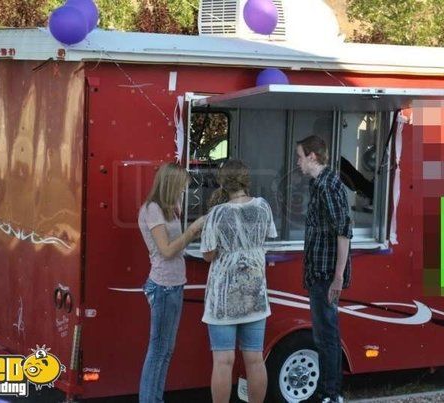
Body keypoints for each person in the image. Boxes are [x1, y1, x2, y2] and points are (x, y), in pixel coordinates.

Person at [200, 159, 277, 403]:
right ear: (245, 179)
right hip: (255, 293)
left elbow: (208, 254)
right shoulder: (263, 206)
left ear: (222, 181)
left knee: (223, 361)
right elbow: (267, 236)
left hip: (223, 298)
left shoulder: (217, 213)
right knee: (254, 359)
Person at [137, 162, 205, 403]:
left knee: (165, 350)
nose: (183, 192)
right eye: (182, 188)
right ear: (171, 185)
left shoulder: (166, 208)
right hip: (164, 285)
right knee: (159, 351)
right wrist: (192, 232)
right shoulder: (152, 209)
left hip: (172, 285)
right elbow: (166, 251)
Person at [296, 135, 352, 403]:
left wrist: (338, 277)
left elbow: (343, 231)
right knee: (322, 336)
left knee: (327, 336)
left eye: (300, 156)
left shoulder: (328, 186)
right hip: (318, 272)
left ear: (312, 156)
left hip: (326, 275)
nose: (298, 162)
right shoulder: (318, 184)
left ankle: (331, 394)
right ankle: (326, 391)